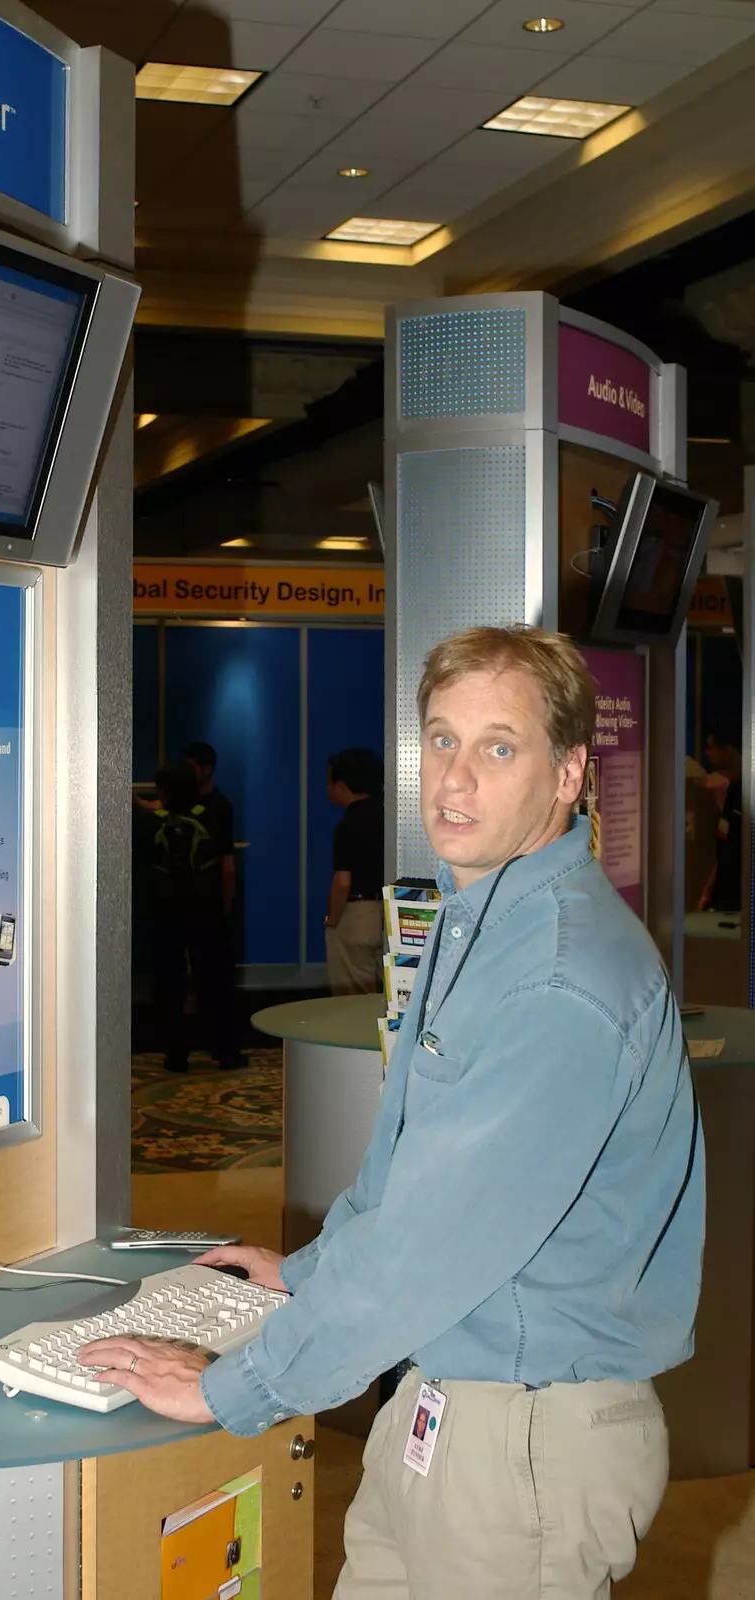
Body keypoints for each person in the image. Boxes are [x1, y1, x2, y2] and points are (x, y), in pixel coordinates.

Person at [80, 625, 704, 1600]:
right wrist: (304, 1274)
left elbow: (427, 1245)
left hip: (523, 1439)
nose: (453, 778)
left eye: (498, 747)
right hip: (444, 1397)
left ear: (569, 772)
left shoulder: (556, 979)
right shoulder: (481, 919)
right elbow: (405, 1177)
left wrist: (221, 1388)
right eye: (440, 739)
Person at [148, 761, 241, 1073]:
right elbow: (227, 867)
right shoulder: (212, 816)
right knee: (213, 982)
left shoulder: (153, 823)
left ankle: (176, 1055)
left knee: (170, 984)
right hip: (206, 911)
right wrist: (226, 908)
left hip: (166, 914)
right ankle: (225, 1052)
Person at [324, 748, 385, 995]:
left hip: (357, 915)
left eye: (329, 781)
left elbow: (342, 882)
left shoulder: (347, 826)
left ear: (341, 785)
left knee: (353, 1000)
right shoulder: (393, 817)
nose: (327, 788)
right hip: (391, 914)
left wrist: (332, 920)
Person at [183, 742, 236, 922]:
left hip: (209, 898)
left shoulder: (221, 806)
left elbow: (227, 860)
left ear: (207, 769)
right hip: (182, 896)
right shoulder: (181, 802)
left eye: (192, 767)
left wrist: (227, 905)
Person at [696, 725, 743, 914]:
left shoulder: (743, 793)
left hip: (739, 894)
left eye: (711, 747)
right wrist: (709, 889)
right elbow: (726, 843)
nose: (707, 753)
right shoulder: (731, 790)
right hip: (723, 894)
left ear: (728, 750)